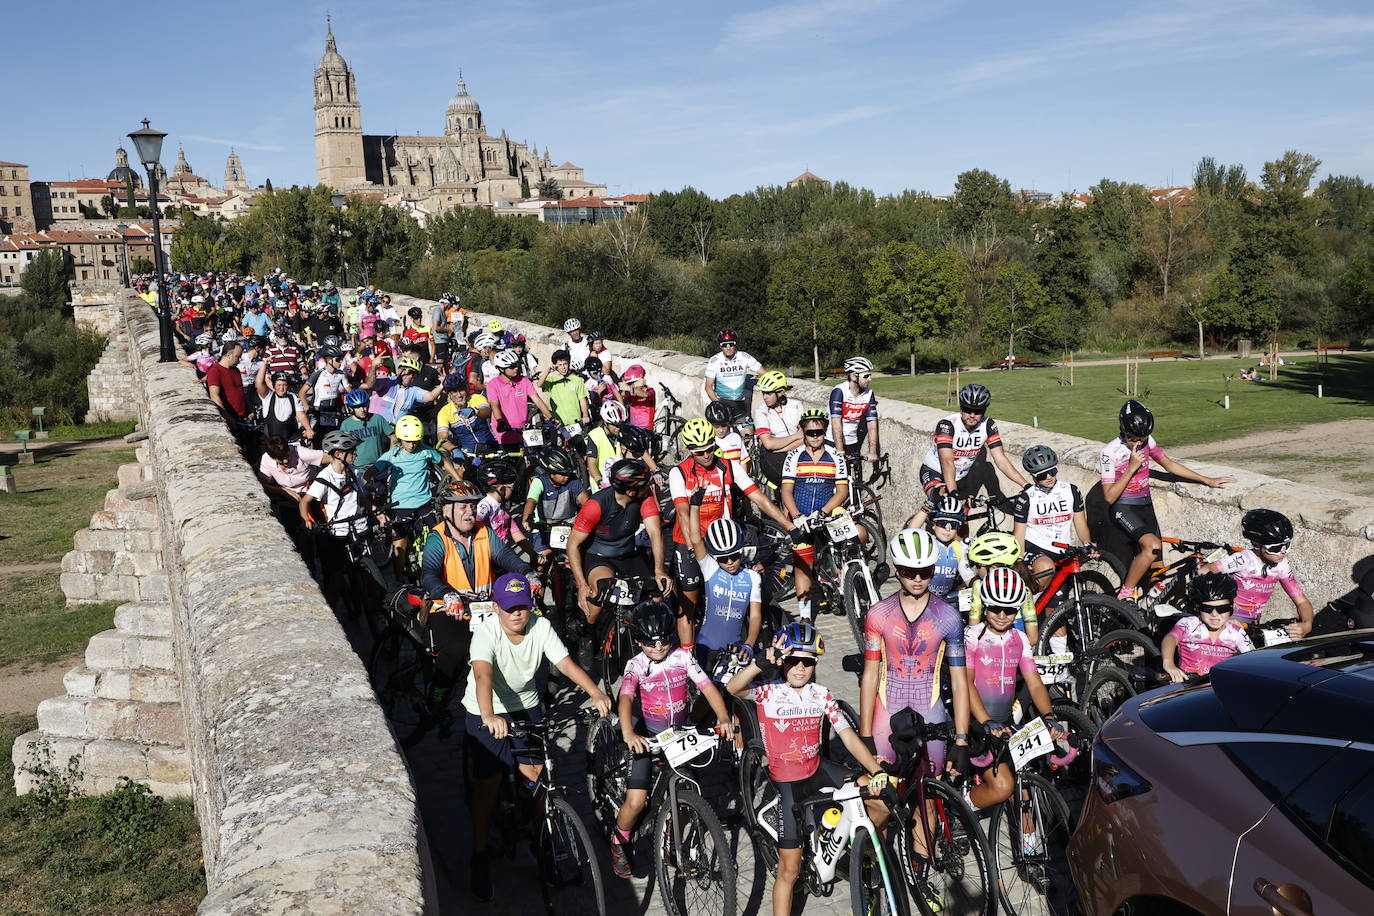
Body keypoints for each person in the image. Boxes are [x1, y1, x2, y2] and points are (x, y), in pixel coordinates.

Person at [463, 572, 611, 901]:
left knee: (537, 777)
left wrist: (595, 693)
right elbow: (483, 675)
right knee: (489, 784)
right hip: (485, 710)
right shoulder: (486, 634)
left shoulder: (539, 627)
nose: (517, 613)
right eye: (509, 608)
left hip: (526, 705)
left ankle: (543, 840)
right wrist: (489, 715)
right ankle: (479, 854)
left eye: (523, 607)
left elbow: (566, 663)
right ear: (497, 608)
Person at [727, 622, 888, 916]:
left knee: (881, 800)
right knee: (789, 870)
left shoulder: (820, 693)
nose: (800, 668)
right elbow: (733, 687)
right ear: (783, 663)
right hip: (787, 783)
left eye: (807, 662)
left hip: (817, 769)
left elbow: (847, 735)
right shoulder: (768, 693)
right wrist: (762, 661)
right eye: (792, 661)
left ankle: (850, 850)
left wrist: (875, 768)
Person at [608, 601, 732, 878]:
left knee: (688, 791)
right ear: (639, 642)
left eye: (663, 641)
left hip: (678, 733)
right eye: (650, 644)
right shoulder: (635, 665)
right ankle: (619, 841)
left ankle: (673, 844)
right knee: (637, 801)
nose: (658, 648)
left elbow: (707, 688)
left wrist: (723, 718)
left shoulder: (683, 658)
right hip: (647, 735)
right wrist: (629, 733)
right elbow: (626, 697)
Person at [669, 418, 797, 647]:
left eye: (710, 448)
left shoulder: (727, 466)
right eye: (700, 453)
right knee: (688, 601)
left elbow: (759, 497)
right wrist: (691, 546)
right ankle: (688, 658)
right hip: (690, 540)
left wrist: (790, 526)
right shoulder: (679, 473)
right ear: (689, 451)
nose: (707, 455)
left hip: (723, 542)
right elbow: (682, 513)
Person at [860, 529, 972, 774]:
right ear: (898, 570)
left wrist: (961, 739)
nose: (918, 579)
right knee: (882, 799)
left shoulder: (949, 617)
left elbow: (959, 682)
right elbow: (870, 676)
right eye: (909, 572)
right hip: (886, 710)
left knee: (930, 803)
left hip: (929, 708)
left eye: (926, 572)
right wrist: (865, 733)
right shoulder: (878, 614)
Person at [1101, 400, 1234, 601]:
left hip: (1145, 506)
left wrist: (1206, 480)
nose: (1138, 443)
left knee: (1158, 572)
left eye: (1142, 438)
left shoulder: (1148, 442)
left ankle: (1147, 614)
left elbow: (1169, 465)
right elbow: (1109, 496)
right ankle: (1125, 593)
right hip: (1123, 507)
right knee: (1152, 546)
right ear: (1122, 429)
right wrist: (1130, 468)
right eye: (1133, 438)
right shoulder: (1109, 452)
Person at [963, 567, 1067, 818]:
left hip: (1004, 723)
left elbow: (1034, 682)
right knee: (1003, 786)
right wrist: (984, 721)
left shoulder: (1019, 639)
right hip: (976, 723)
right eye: (995, 608)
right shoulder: (972, 636)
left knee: (1023, 793)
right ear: (985, 607)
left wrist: (1049, 716)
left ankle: (1031, 850)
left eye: (1009, 610)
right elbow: (965, 684)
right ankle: (960, 807)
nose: (1001, 615)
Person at [566, 459, 673, 640]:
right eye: (644, 484)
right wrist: (582, 584)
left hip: (629, 555)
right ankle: (588, 635)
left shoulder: (645, 497)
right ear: (630, 491)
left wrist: (659, 571)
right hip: (599, 557)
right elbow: (573, 544)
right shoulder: (595, 505)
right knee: (602, 592)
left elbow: (656, 534)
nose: (648, 487)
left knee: (656, 597)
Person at [781, 408, 855, 621]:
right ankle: (805, 617)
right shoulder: (794, 457)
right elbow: (786, 491)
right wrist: (796, 516)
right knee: (802, 565)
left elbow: (842, 491)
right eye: (810, 432)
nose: (815, 436)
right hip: (801, 515)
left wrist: (822, 513)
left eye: (819, 432)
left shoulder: (835, 457)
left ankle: (854, 576)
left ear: (825, 432)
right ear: (803, 432)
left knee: (857, 532)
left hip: (827, 513)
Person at [375, 415, 463, 575]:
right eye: (408, 441)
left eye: (415, 440)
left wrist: (458, 479)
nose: (412, 444)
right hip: (400, 506)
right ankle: (400, 580)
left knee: (440, 536)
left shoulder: (426, 452)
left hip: (424, 503)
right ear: (400, 439)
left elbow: (444, 462)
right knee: (399, 545)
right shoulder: (391, 456)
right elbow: (373, 471)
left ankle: (446, 571)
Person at [1205, 508, 1313, 638]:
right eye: (1275, 548)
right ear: (1256, 544)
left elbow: (1301, 601)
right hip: (1227, 618)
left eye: (1286, 545)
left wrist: (1307, 624)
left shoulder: (1282, 565)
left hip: (1252, 624)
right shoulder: (1244, 559)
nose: (1283, 552)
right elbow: (1206, 570)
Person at [299, 430, 373, 611]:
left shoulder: (354, 472)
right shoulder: (324, 478)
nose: (355, 454)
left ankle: (375, 610)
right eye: (352, 451)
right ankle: (330, 610)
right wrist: (307, 521)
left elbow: (361, 497)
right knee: (335, 576)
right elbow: (305, 502)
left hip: (358, 526)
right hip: (337, 532)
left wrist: (374, 510)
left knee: (369, 572)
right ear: (339, 454)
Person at [683, 514, 762, 673]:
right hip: (706, 647)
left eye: (734, 556)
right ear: (715, 558)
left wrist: (749, 644)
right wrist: (695, 507)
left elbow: (755, 616)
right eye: (723, 559)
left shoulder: (752, 577)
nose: (730, 562)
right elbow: (696, 539)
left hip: (736, 649)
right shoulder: (710, 570)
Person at [919, 382, 1027, 500]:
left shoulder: (988, 425)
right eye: (967, 409)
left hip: (961, 476)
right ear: (961, 408)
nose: (972, 415)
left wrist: (1025, 485)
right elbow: (947, 462)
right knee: (938, 501)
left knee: (961, 515)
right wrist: (953, 491)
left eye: (977, 411)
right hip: (935, 471)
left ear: (984, 411)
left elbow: (1001, 460)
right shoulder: (947, 425)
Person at [1012, 445, 1095, 594]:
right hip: (1036, 547)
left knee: (1057, 601)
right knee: (1046, 568)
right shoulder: (1026, 498)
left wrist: (1088, 544)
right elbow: (1019, 532)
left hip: (1063, 549)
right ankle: (1029, 606)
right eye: (1042, 475)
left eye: (1052, 471)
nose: (1049, 477)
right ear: (1033, 476)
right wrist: (1019, 559)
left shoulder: (1072, 491)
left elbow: (1080, 522)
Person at [1162, 572, 1254, 681]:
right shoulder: (1189, 624)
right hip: (1186, 686)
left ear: (1231, 608)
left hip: (1219, 688)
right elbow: (1170, 639)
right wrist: (1169, 664)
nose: (1214, 614)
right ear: (1197, 608)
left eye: (1222, 609)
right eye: (1207, 609)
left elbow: (1253, 660)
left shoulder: (1236, 632)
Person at [520, 448, 589, 561]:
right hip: (544, 527)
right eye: (562, 474)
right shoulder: (539, 482)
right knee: (539, 562)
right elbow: (531, 501)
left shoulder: (573, 481)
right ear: (551, 473)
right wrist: (526, 518)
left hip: (569, 525)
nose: (567, 476)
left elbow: (585, 500)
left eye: (568, 473)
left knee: (580, 558)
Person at [486, 349, 556, 453]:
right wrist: (500, 421)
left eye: (517, 365)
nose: (516, 368)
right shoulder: (493, 384)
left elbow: (537, 399)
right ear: (501, 369)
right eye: (512, 367)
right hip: (505, 431)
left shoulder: (524, 380)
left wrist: (551, 417)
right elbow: (494, 405)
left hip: (523, 431)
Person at [752, 370, 803, 488]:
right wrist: (796, 436)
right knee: (788, 484)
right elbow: (768, 444)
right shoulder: (761, 412)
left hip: (792, 450)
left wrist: (783, 448)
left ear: (780, 392)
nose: (764, 397)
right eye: (763, 393)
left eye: (768, 393)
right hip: (773, 456)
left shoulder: (796, 406)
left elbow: (806, 438)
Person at [828, 356, 881, 470]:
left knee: (854, 479)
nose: (870, 379)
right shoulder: (839, 391)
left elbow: (872, 425)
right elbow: (836, 424)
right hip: (833, 441)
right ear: (853, 376)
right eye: (866, 376)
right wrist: (840, 451)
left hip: (852, 441)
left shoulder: (869, 394)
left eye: (870, 375)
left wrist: (872, 451)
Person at [703, 328, 760, 421]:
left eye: (731, 344)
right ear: (720, 346)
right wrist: (718, 404)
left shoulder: (744, 357)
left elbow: (763, 372)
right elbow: (708, 387)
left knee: (747, 434)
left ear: (735, 344)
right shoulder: (714, 361)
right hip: (722, 403)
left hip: (741, 404)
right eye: (724, 345)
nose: (728, 348)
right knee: (721, 434)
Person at [299, 345, 351, 442]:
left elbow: (349, 390)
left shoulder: (341, 374)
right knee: (318, 438)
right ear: (329, 360)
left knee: (333, 436)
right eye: (338, 359)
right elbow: (302, 392)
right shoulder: (318, 374)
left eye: (342, 359)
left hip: (334, 408)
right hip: (319, 409)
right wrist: (306, 405)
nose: (341, 362)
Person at [436, 374, 495, 457]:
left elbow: (487, 411)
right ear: (448, 394)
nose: (459, 395)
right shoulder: (444, 412)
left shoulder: (477, 398)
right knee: (461, 470)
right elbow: (442, 438)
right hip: (467, 453)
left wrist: (475, 411)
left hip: (491, 447)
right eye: (454, 392)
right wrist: (453, 449)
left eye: (461, 390)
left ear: (467, 389)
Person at [540, 349, 591, 445]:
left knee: (578, 450)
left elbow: (582, 399)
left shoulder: (577, 380)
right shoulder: (552, 380)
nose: (563, 367)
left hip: (575, 423)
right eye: (559, 365)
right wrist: (547, 371)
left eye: (565, 364)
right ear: (555, 366)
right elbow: (539, 384)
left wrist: (585, 415)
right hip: (558, 424)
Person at [475, 458, 527, 551]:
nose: (513, 489)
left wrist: (532, 553)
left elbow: (514, 530)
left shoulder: (501, 505)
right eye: (511, 486)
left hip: (502, 553)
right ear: (501, 489)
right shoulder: (484, 507)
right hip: (488, 555)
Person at [255, 363, 315, 444]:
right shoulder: (267, 396)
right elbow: (259, 383)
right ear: (273, 385)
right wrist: (264, 365)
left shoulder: (293, 397)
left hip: (290, 440)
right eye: (279, 385)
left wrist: (308, 428)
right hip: (272, 443)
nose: (281, 388)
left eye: (284, 385)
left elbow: (301, 415)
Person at [339, 388, 393, 469]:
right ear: (351, 408)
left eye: (364, 406)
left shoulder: (377, 418)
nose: (362, 410)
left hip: (378, 465)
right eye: (357, 407)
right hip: (357, 467)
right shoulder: (346, 424)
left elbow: (393, 436)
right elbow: (343, 447)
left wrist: (390, 455)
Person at [205, 339, 246, 421]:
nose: (240, 359)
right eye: (238, 356)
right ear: (228, 355)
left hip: (243, 416)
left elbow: (240, 391)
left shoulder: (236, 370)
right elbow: (214, 396)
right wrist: (227, 417)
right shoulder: (215, 371)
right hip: (232, 417)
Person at [621, 364, 656, 430]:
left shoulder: (650, 391)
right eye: (630, 383)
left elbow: (646, 395)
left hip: (646, 428)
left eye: (633, 382)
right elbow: (623, 396)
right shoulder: (631, 392)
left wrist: (630, 388)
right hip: (633, 427)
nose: (632, 385)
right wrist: (625, 385)